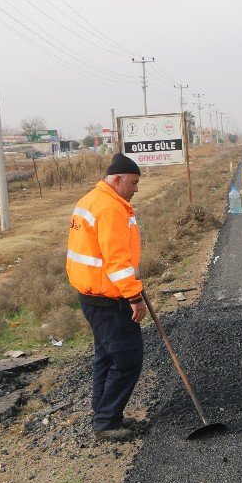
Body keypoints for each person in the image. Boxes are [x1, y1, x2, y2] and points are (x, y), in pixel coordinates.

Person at [66, 153, 147, 442]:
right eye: (134, 183)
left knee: (105, 356)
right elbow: (117, 261)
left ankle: (103, 413)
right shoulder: (110, 208)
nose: (136, 189)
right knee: (127, 360)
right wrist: (134, 296)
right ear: (117, 179)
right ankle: (106, 421)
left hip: (92, 294)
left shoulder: (90, 200)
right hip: (110, 298)